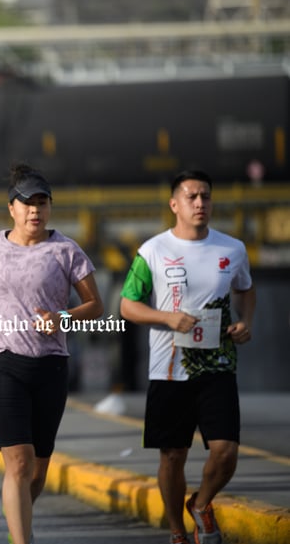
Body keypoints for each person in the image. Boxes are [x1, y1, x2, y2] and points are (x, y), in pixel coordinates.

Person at [0, 163, 103, 544]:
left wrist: (62, 318)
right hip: (1, 363)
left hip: (50, 366)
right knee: (18, 462)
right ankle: (22, 539)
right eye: (27, 203)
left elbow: (96, 305)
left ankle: (18, 522)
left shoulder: (66, 250)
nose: (35, 210)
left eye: (42, 203)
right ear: (12, 208)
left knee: (37, 469)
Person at [120, 169, 255, 544]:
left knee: (226, 452)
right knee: (172, 456)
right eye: (192, 197)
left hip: (218, 364)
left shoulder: (232, 249)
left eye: (206, 197)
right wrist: (167, 317)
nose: (200, 203)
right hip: (169, 369)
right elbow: (128, 306)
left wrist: (245, 321)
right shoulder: (153, 250)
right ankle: (178, 533)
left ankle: (201, 503)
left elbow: (246, 289)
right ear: (174, 204)